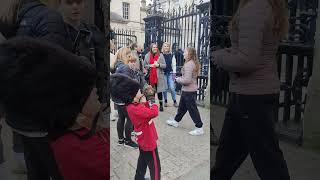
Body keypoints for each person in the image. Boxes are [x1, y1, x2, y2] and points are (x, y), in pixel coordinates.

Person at [0, 37, 109, 180]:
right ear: (71, 102)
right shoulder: (80, 149)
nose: (95, 91)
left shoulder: (71, 136)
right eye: (89, 88)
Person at [211, 0, 290, 179]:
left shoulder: (255, 7)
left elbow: (247, 60)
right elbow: (250, 49)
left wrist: (218, 57)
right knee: (227, 157)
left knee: (268, 161)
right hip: (249, 94)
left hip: (251, 96)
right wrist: (229, 52)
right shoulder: (266, 5)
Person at [0, 0, 70, 176]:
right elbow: (53, 72)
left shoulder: (16, 16)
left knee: (36, 172)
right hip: (43, 120)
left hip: (21, 118)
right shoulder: (49, 18)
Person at [110, 74, 161, 180]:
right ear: (132, 95)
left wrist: (145, 99)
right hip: (148, 142)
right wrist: (151, 99)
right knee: (155, 167)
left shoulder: (133, 105)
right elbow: (154, 112)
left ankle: (138, 178)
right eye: (138, 90)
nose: (140, 91)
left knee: (142, 162)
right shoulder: (134, 108)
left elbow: (144, 108)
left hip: (143, 141)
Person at [58, 0, 107, 108]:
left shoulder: (93, 31)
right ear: (61, 4)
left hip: (90, 96)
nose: (75, 6)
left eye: (79, 2)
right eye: (69, 3)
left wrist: (103, 98)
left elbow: (101, 67)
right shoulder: (55, 31)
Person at [166, 47, 204, 136]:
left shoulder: (189, 64)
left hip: (189, 91)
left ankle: (199, 127)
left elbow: (187, 80)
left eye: (185, 52)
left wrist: (177, 79)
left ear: (189, 54)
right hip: (188, 90)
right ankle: (176, 121)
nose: (183, 53)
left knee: (192, 110)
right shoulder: (191, 63)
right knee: (182, 108)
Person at [111, 47, 139, 149]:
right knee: (130, 119)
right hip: (125, 98)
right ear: (125, 55)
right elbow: (129, 84)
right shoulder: (125, 67)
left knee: (121, 118)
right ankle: (128, 141)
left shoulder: (116, 66)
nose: (130, 56)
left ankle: (120, 139)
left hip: (117, 98)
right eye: (129, 54)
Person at [144, 43, 167, 112]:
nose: (155, 48)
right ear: (151, 48)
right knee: (151, 91)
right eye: (154, 47)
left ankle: (161, 105)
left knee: (159, 92)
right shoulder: (147, 56)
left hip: (159, 76)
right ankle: (152, 105)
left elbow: (165, 65)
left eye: (156, 47)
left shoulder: (161, 55)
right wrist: (150, 66)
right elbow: (145, 65)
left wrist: (158, 65)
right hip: (150, 76)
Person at [161, 42, 178, 107]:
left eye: (167, 46)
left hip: (170, 74)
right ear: (163, 47)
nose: (166, 47)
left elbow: (174, 65)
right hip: (163, 74)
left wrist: (174, 75)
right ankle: (165, 101)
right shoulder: (161, 55)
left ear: (169, 47)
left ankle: (174, 101)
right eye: (165, 46)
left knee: (172, 87)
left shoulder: (172, 55)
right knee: (165, 88)